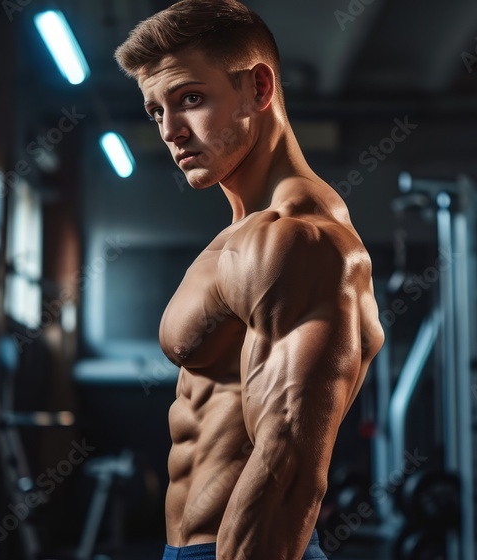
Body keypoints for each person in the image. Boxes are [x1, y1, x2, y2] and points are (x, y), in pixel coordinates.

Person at [115, 1, 384, 558]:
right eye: (155, 111)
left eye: (191, 98)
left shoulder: (297, 241)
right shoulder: (244, 234)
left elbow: (285, 467)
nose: (170, 130)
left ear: (258, 89)